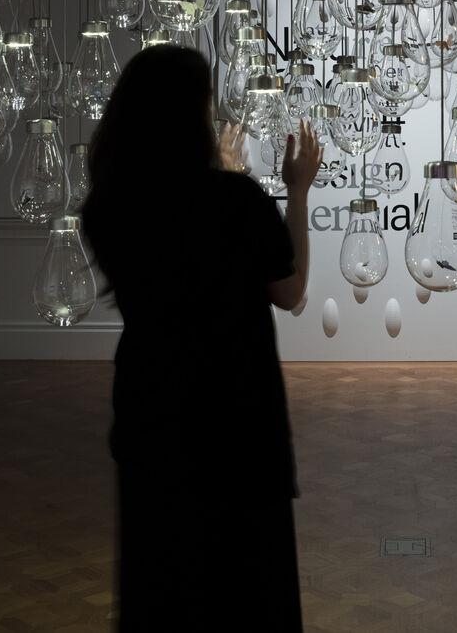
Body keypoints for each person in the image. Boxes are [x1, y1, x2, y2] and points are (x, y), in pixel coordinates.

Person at [82, 44, 322, 631]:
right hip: (236, 418)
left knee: (159, 581)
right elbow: (290, 294)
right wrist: (296, 192)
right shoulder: (236, 202)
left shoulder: (108, 208)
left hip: (150, 411)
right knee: (247, 588)